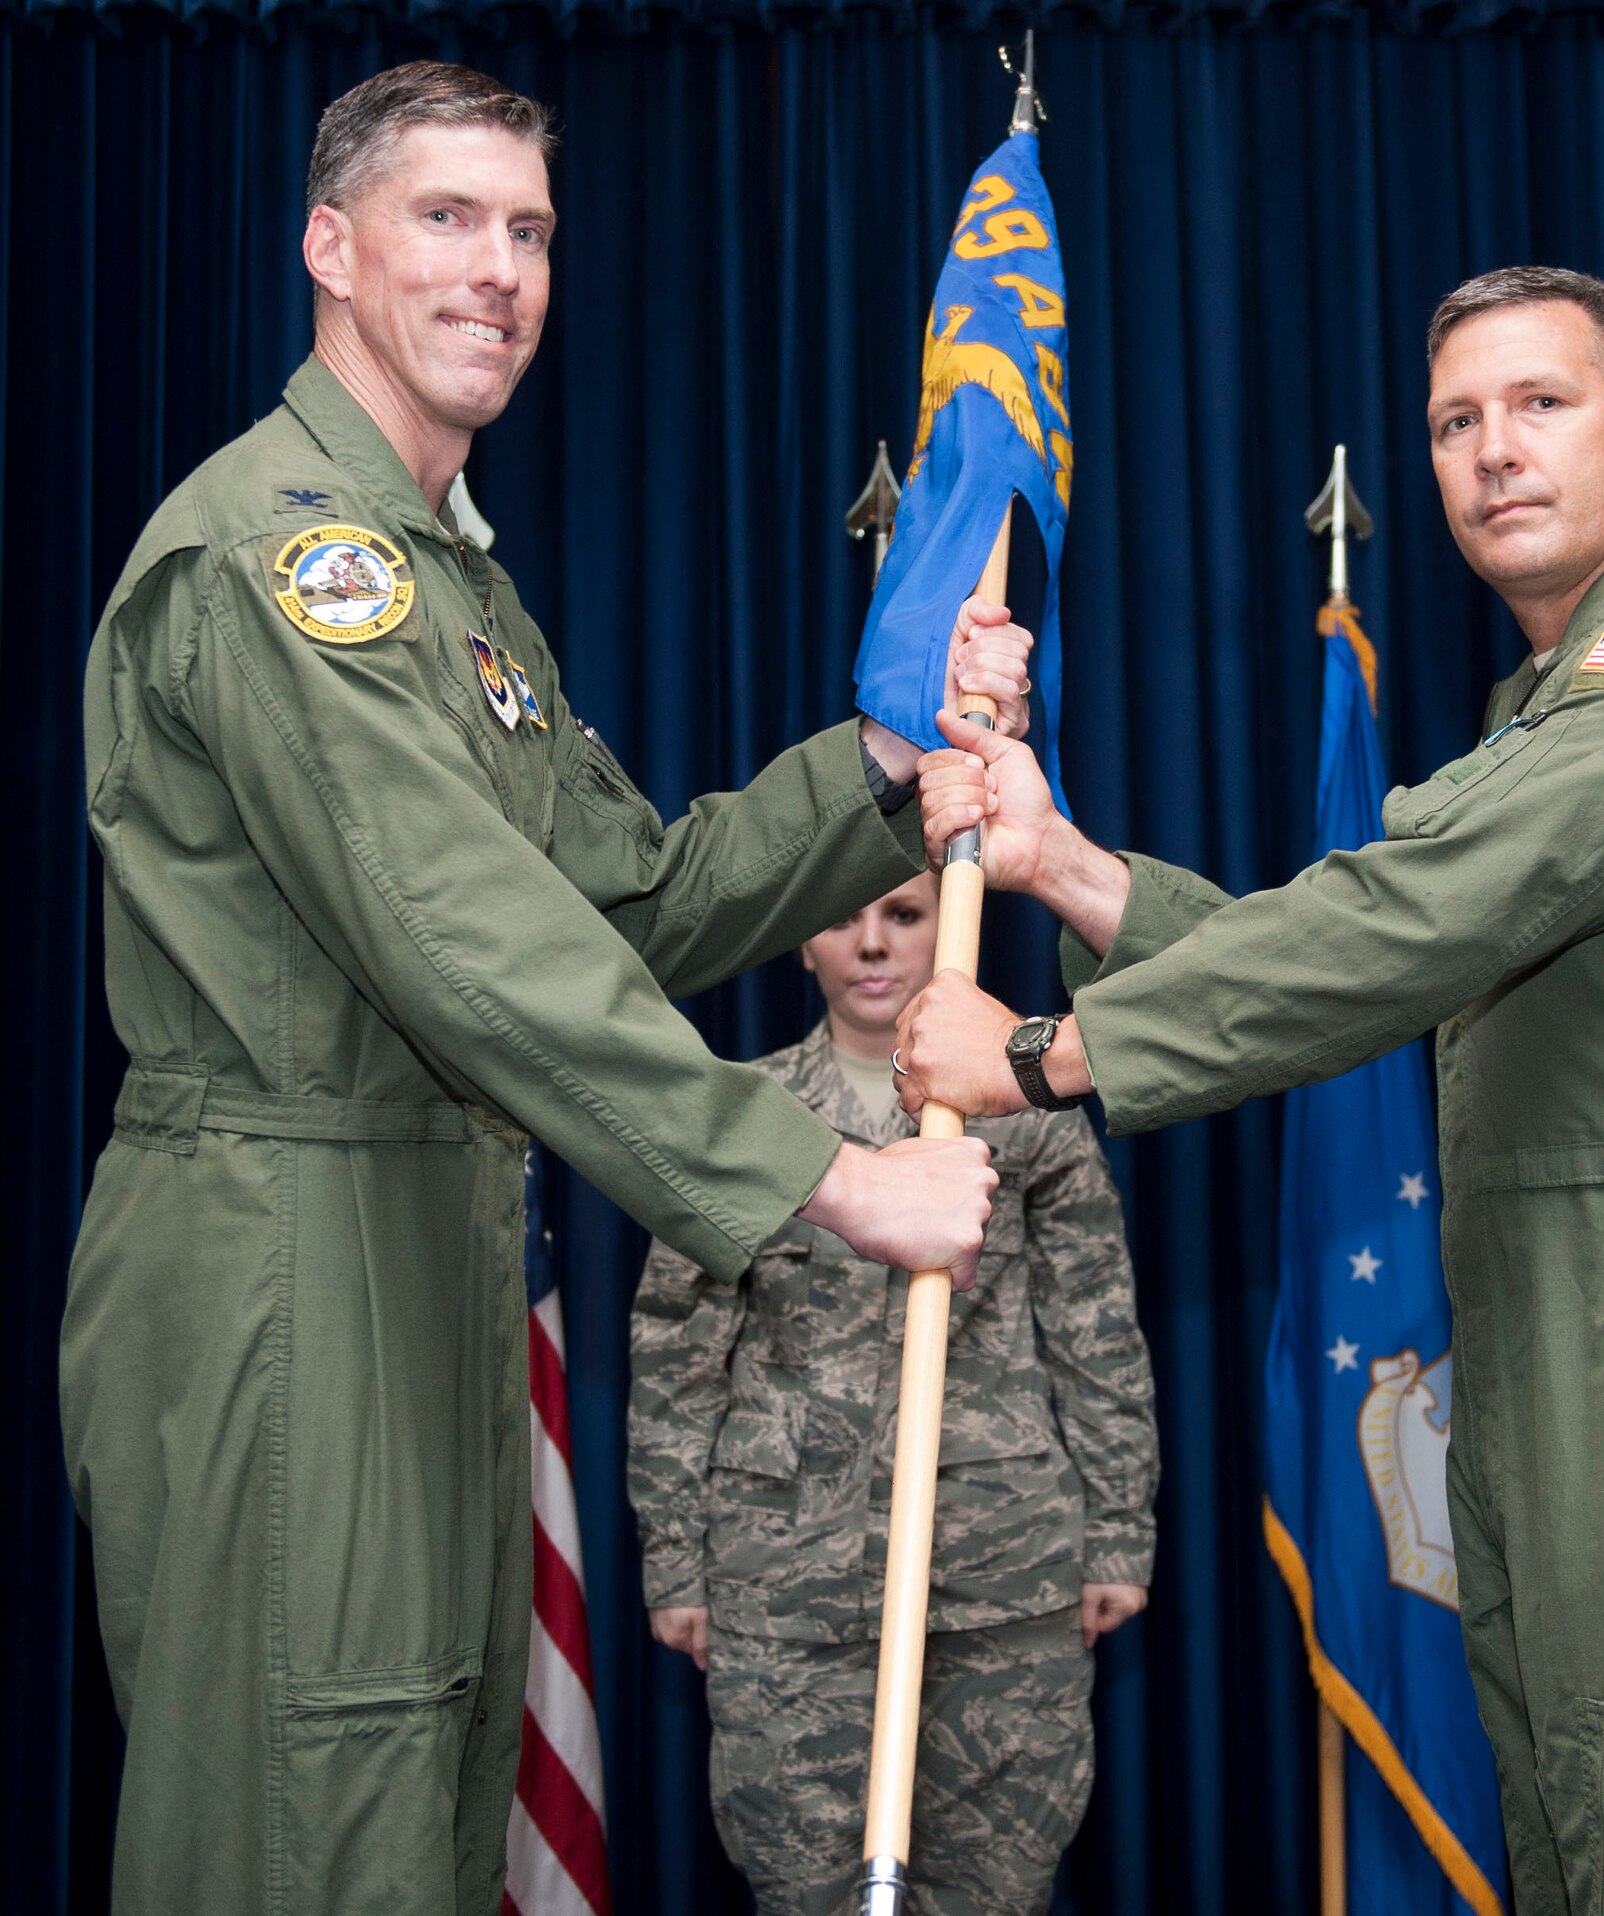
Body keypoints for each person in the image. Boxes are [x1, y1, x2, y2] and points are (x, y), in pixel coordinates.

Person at [61, 61, 1036, 1916]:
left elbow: (628, 908)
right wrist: (831, 1178)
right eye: (447, 219)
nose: (500, 269)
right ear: (328, 247)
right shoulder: (291, 556)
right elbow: (462, 938)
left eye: (530, 232)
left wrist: (882, 769)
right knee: (308, 1829)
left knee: (421, 1811)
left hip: (421, 1241)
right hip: (282, 1251)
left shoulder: (461, 597)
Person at [894, 267, 1604, 1915]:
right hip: (1558, 1356)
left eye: (1543, 405)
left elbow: (1415, 917)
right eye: (1457, 421)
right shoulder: (1546, 710)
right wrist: (1071, 869)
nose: (1492, 453)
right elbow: (1388, 965)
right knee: (1603, 1847)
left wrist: (1040, 1057)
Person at [629, 871, 1159, 1916]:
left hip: (997, 1576)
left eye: (904, 915)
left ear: (942, 932)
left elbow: (1094, 1333)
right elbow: (676, 1352)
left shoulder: (1028, 1114)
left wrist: (1115, 1534)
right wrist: (674, 1562)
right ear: (802, 945)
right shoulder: (741, 1117)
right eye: (842, 919)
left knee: (992, 1888)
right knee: (807, 1883)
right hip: (786, 1581)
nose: (872, 945)